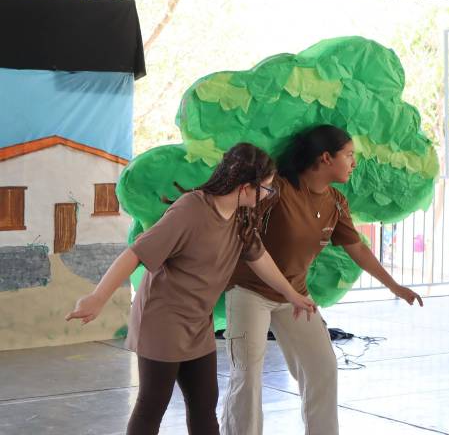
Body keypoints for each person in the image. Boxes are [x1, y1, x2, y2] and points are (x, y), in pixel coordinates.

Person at [66, 143, 317, 435]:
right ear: (246, 187)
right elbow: (136, 253)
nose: (269, 195)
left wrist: (291, 293)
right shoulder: (191, 210)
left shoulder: (241, 216)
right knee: (153, 404)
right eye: (267, 188)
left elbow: (258, 257)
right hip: (162, 320)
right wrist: (98, 297)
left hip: (198, 322)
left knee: (203, 403)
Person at [221, 125, 423, 435]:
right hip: (250, 290)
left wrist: (394, 286)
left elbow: (358, 249)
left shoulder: (336, 202)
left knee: (323, 368)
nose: (355, 162)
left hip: (295, 296)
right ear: (326, 158)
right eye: (349, 155)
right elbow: (236, 228)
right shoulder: (277, 191)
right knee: (247, 376)